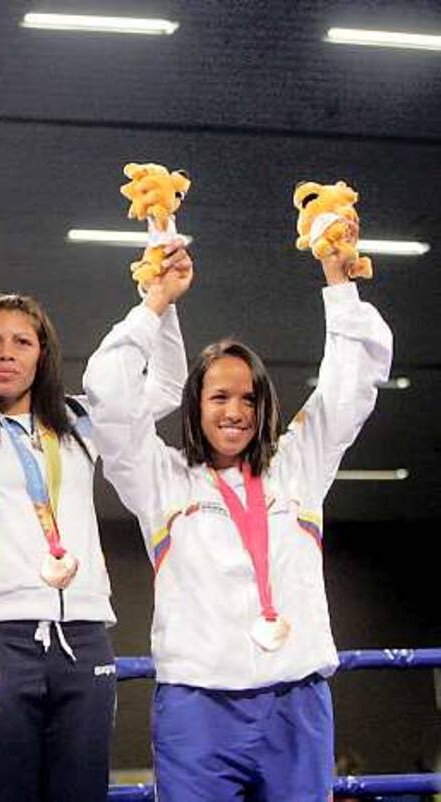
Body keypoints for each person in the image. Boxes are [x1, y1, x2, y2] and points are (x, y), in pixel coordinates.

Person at [0, 187, 189, 801]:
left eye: (21, 341)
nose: (6, 353)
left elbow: (170, 383)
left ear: (43, 352)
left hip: (87, 637)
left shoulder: (83, 421)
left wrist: (163, 295)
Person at [81, 224, 392, 801]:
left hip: (296, 702)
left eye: (248, 398)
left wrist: (336, 280)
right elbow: (108, 395)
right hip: (198, 709)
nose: (235, 411)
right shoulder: (161, 479)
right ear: (194, 406)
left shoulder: (299, 464)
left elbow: (349, 389)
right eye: (218, 397)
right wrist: (154, 303)